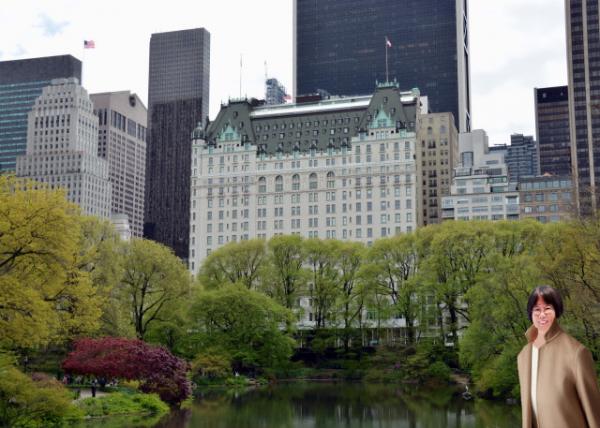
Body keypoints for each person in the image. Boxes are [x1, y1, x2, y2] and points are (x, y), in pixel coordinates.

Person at [517, 286, 600, 428]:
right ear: (530, 313)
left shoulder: (576, 353)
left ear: (557, 310)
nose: (542, 314)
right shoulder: (523, 356)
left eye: (547, 308)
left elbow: (594, 413)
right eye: (537, 309)